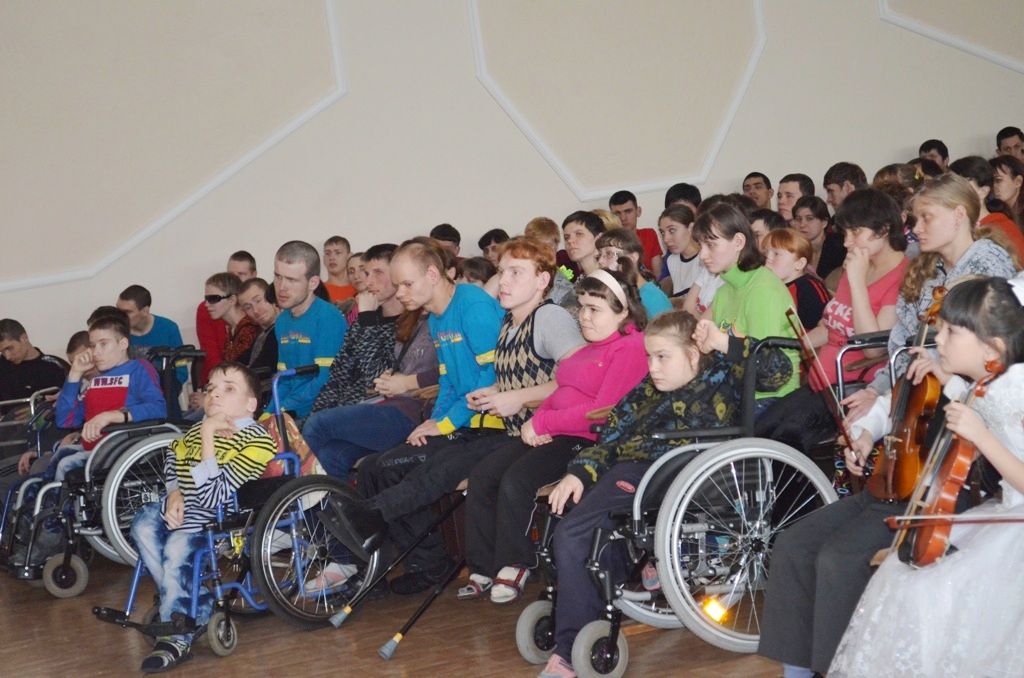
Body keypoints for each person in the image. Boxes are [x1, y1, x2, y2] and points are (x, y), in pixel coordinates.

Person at [536, 311, 792, 678]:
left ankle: (569, 649)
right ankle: (585, 618)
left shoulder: (721, 374)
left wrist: (724, 343)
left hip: (676, 470)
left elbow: (779, 371)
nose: (653, 367)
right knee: (565, 517)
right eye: (649, 356)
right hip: (630, 469)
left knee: (575, 532)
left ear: (693, 353)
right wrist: (578, 473)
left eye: (662, 357)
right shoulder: (646, 389)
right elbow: (611, 437)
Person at [829, 276, 1024, 677]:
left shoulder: (1017, 390)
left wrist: (981, 437)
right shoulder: (992, 382)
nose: (939, 338)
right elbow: (978, 399)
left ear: (992, 349)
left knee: (934, 592)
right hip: (1006, 515)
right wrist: (947, 379)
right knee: (903, 579)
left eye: (952, 332)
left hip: (1015, 527)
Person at [321, 236, 505, 594]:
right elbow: (449, 380)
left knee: (411, 469)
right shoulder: (436, 318)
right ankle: (410, 563)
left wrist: (445, 423)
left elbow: (490, 378)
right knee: (375, 468)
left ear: (433, 275)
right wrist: (433, 422)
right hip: (462, 422)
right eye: (398, 284)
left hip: (493, 426)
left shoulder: (474, 306)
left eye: (407, 284)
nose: (399, 292)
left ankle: (365, 522)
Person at [461, 264, 644, 606]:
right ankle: (483, 566)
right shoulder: (588, 348)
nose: (584, 317)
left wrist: (544, 424)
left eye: (594, 309)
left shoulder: (629, 347)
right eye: (582, 307)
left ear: (623, 312)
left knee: (518, 479)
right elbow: (560, 391)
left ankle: (516, 564)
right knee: (483, 475)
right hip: (556, 430)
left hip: (590, 440)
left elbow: (603, 412)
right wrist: (537, 421)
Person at [130, 362, 276, 673]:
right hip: (185, 504)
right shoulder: (195, 431)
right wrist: (174, 492)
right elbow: (173, 455)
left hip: (219, 514)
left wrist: (209, 433)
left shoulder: (257, 441)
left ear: (251, 404)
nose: (215, 395)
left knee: (177, 549)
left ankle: (176, 636)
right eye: (211, 388)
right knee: (142, 524)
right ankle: (192, 601)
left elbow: (212, 496)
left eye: (228, 389)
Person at [841, 173, 1016, 422]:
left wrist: (887, 400)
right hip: (919, 387)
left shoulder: (988, 264)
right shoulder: (925, 270)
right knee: (859, 421)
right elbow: (903, 343)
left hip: (969, 395)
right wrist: (876, 390)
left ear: (959, 215)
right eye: (916, 219)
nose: (916, 229)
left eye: (927, 218)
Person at [755, 188, 909, 457]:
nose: (847, 243)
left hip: (852, 388)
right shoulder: (858, 267)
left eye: (855, 233)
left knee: (787, 439)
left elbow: (873, 347)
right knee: (759, 430)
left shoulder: (901, 276)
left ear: (883, 230)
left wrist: (857, 281)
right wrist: (790, 344)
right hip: (822, 383)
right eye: (845, 233)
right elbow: (830, 327)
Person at [302, 243, 439, 480]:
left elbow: (377, 379)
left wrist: (366, 319)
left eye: (378, 273)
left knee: (316, 426)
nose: (369, 282)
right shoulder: (363, 322)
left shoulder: (408, 322)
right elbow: (338, 375)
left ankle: (295, 497)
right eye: (366, 273)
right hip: (357, 410)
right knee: (329, 455)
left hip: (391, 409)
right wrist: (320, 411)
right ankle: (333, 505)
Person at [692, 202, 799, 408]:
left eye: (711, 245)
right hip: (737, 391)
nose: (702, 255)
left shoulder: (763, 289)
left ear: (739, 242)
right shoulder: (725, 291)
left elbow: (765, 365)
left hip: (769, 399)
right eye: (700, 246)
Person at [53, 315, 167, 481]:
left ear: (123, 344)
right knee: (59, 455)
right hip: (95, 448)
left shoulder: (138, 368)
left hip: (123, 449)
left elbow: (158, 408)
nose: (96, 352)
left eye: (103, 344)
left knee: (66, 464)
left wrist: (111, 416)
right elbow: (66, 420)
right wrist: (75, 374)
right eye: (93, 346)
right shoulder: (96, 380)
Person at [271, 240, 349, 420]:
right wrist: (268, 413)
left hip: (322, 412)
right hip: (289, 411)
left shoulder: (328, 318)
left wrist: (283, 410)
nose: (281, 287)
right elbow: (282, 380)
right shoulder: (282, 321)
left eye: (291, 280)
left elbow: (325, 381)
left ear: (313, 282)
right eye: (278, 276)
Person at [195, 251, 258, 385]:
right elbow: (211, 356)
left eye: (213, 299)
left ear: (232, 300)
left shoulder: (249, 328)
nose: (207, 304)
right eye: (207, 299)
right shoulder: (233, 329)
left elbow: (242, 376)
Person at [950, 155, 1024, 261]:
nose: (954, 192)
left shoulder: (1002, 228)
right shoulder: (956, 228)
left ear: (983, 191)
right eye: (951, 187)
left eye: (963, 185)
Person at [761, 228, 831, 330]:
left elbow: (821, 328)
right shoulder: (764, 284)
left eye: (776, 254)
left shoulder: (810, 288)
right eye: (765, 253)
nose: (768, 259)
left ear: (799, 263)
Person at [596, 228, 671, 318]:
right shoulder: (617, 293)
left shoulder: (652, 298)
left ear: (633, 257)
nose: (600, 261)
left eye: (609, 254)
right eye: (599, 255)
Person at [0, 319, 69, 407]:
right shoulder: (2, 367)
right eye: (2, 352)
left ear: (24, 338)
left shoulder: (53, 368)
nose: (7, 356)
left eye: (9, 348)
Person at [116, 285, 184, 354]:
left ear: (145, 311)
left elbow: (180, 359)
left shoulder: (169, 328)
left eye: (127, 312)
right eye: (118, 310)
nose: (119, 316)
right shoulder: (116, 330)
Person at [791, 195, 847, 279]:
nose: (802, 224)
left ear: (824, 222)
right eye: (798, 219)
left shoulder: (839, 247)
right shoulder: (792, 248)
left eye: (809, 219)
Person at [609, 190, 663, 273]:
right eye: (617, 214)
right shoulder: (607, 242)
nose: (623, 218)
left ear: (638, 211)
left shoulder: (649, 234)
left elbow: (658, 274)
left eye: (628, 211)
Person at [657, 204, 703, 297]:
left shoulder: (706, 259)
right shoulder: (671, 260)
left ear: (691, 228)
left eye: (672, 231)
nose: (665, 239)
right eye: (662, 232)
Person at [236, 278, 279, 374]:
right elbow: (239, 362)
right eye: (248, 307)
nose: (255, 310)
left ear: (272, 296)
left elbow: (263, 368)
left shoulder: (280, 332)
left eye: (258, 301)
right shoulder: (261, 334)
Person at [561, 210, 606, 277]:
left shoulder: (613, 277)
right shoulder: (579, 280)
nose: (569, 241)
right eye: (566, 237)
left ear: (599, 238)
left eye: (579, 234)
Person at [990, 154, 1024, 224]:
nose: (993, 186)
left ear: (1018, 181)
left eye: (998, 180)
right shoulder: (994, 211)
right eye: (990, 181)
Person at [323, 235, 356, 304]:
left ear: (349, 256)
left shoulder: (359, 289)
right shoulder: (317, 291)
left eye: (338, 253)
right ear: (323, 258)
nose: (331, 258)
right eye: (327, 253)